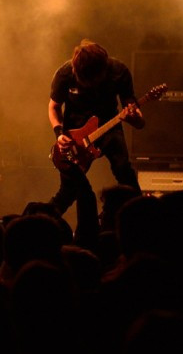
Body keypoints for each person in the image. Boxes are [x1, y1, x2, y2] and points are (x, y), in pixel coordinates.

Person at [48, 39, 143, 247]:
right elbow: (54, 107)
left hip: (110, 127)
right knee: (68, 190)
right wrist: (59, 134)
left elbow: (138, 119)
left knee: (124, 172)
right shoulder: (65, 74)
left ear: (103, 70)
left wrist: (133, 117)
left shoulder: (119, 72)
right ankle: (41, 228)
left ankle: (142, 224)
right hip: (75, 136)